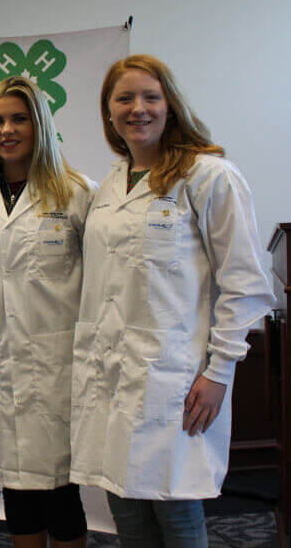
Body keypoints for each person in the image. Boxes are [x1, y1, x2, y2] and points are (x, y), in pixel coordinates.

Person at [69, 55, 274, 546]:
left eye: (150, 97)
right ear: (108, 112)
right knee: (127, 511)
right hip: (109, 376)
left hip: (176, 379)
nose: (137, 109)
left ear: (171, 105)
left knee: (176, 512)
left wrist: (219, 372)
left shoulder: (209, 176)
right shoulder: (110, 186)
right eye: (124, 98)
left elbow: (244, 284)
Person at [0, 76, 94, 548]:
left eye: (19, 119)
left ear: (40, 125)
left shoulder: (77, 194)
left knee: (61, 493)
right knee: (14, 491)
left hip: (56, 367)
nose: (7, 130)